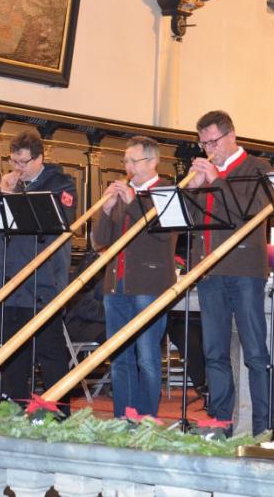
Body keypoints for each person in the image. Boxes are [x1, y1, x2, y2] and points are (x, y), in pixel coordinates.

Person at [185, 110, 274, 435]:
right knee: (214, 353)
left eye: (213, 142)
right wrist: (192, 191)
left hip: (244, 271)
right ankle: (220, 423)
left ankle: (264, 428)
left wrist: (216, 181)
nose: (209, 149)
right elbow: (189, 222)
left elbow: (250, 212)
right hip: (209, 272)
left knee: (255, 352)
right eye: (203, 143)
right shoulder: (206, 173)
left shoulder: (257, 168)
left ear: (231, 135)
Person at [0, 130, 77, 406]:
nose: (18, 168)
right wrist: (1, 195)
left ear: (39, 158)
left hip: (43, 283)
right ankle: (15, 409)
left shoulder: (62, 184)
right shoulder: (10, 185)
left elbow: (61, 221)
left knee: (50, 352)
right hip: (8, 281)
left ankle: (57, 412)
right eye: (13, 161)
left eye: (23, 162)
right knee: (13, 354)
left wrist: (17, 197)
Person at [92, 136, 176, 417]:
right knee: (119, 358)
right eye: (125, 161)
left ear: (153, 162)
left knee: (147, 358)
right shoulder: (123, 193)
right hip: (116, 285)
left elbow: (164, 236)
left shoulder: (166, 191)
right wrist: (105, 211)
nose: (127, 167)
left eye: (133, 161)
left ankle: (147, 418)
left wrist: (132, 204)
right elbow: (101, 240)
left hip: (149, 285)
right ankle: (124, 417)